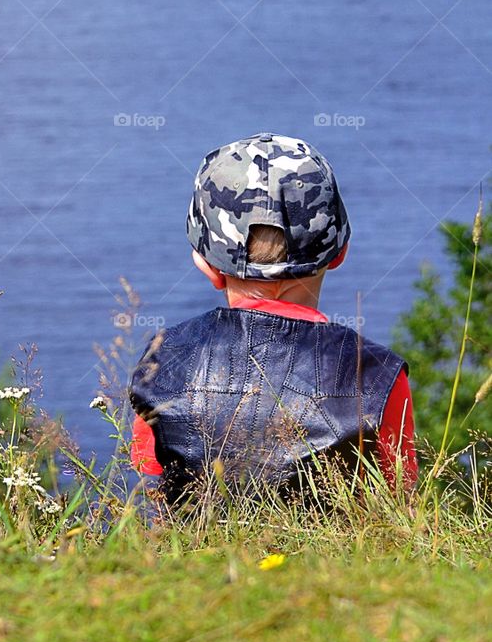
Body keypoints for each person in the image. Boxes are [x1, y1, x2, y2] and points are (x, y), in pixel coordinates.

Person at [129, 133, 416, 503]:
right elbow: (398, 501)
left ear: (206, 264)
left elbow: (153, 492)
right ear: (339, 252)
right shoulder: (378, 375)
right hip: (329, 561)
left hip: (191, 557)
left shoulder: (160, 361)